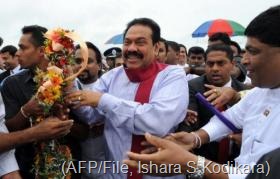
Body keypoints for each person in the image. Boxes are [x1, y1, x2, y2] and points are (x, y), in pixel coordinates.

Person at [124, 5, 280, 179]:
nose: (244, 60)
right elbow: (226, 120)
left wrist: (192, 164)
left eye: (253, 52)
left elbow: (254, 175)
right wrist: (195, 138)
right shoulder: (258, 94)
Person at [66, 17, 188, 179]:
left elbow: (157, 122)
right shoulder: (110, 77)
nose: (131, 48)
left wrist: (103, 100)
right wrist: (69, 87)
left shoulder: (172, 75)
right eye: (127, 42)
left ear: (157, 47)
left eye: (140, 42)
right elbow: (90, 115)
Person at [75, 41, 106, 179]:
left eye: (88, 61)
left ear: (99, 66)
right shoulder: (60, 90)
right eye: (77, 61)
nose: (82, 66)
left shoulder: (110, 89)